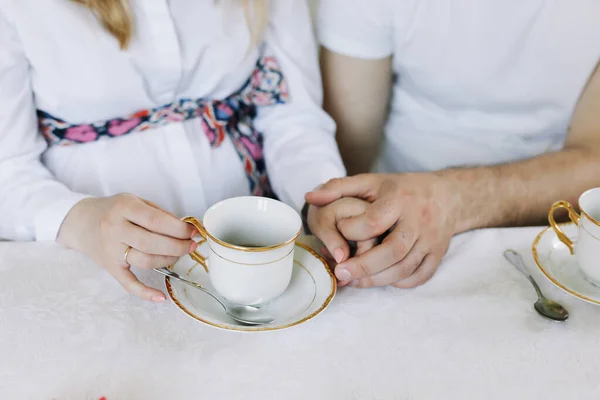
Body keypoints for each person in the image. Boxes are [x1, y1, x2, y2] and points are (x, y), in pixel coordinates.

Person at [0, 0, 345, 302]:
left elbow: (292, 117)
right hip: (95, 270)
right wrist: (78, 219)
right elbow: (8, 169)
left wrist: (321, 200)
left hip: (258, 260)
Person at [306, 0, 600, 289]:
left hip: (556, 234)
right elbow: (348, 150)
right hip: (395, 224)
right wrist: (352, 218)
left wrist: (452, 199)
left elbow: (594, 158)